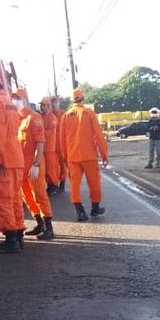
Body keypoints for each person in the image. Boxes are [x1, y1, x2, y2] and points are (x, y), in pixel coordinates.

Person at [0, 73, 26, 253]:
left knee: (1, 200)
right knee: (14, 199)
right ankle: (18, 234)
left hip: (5, 160)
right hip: (16, 158)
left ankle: (11, 239)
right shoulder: (10, 102)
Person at [58, 87, 108, 221]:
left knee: (74, 184)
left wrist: (65, 157)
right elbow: (99, 135)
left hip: (72, 156)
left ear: (71, 101)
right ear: (83, 99)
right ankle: (95, 208)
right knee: (94, 182)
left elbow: (61, 139)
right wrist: (104, 154)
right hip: (89, 155)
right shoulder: (89, 113)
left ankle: (79, 211)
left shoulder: (65, 116)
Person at [14, 88, 54, 240]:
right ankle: (39, 223)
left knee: (40, 195)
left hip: (33, 165)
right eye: (14, 98)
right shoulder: (16, 118)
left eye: (18, 98)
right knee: (27, 197)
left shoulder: (34, 117)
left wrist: (36, 164)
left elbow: (40, 143)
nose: (15, 101)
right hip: (20, 166)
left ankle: (49, 227)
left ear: (25, 99)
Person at [40, 97, 61, 194]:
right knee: (46, 168)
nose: (42, 107)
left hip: (49, 147)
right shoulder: (41, 116)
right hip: (43, 147)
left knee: (51, 167)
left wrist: (40, 133)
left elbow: (51, 131)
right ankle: (50, 185)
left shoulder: (52, 117)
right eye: (41, 105)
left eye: (43, 105)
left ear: (48, 106)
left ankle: (54, 185)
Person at [51, 95, 68, 194]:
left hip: (62, 145)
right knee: (53, 166)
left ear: (59, 103)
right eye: (52, 102)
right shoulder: (49, 115)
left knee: (63, 166)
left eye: (55, 102)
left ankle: (62, 183)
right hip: (52, 146)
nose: (54, 104)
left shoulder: (64, 115)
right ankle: (54, 184)